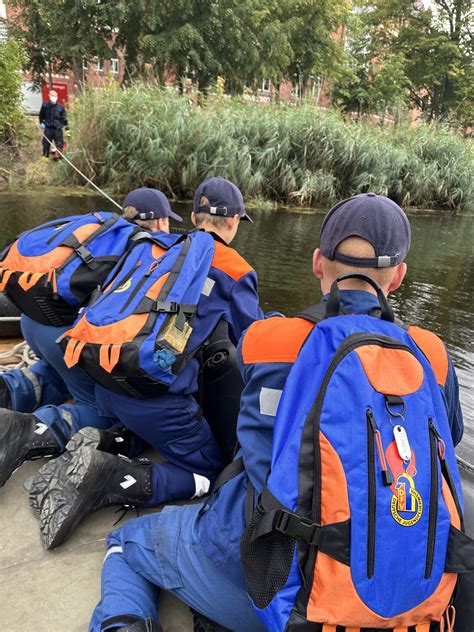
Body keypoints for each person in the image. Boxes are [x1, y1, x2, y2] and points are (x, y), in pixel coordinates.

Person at [78, 193, 463, 632]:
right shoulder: (432, 355)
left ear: (318, 262)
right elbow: (446, 444)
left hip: (277, 590)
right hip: (402, 593)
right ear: (397, 278)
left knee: (126, 544)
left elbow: (252, 444)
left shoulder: (269, 340)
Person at [31, 176, 265, 549]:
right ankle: (110, 477)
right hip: (155, 400)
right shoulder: (235, 269)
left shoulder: (156, 244)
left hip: (106, 378)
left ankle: (111, 439)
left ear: (192, 215)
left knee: (149, 417)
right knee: (209, 469)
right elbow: (255, 344)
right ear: (235, 222)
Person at [0, 188, 182, 488]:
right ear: (161, 222)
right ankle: (32, 429)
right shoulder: (149, 251)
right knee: (107, 412)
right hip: (64, 338)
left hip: (32, 320)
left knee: (54, 376)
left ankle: (11, 390)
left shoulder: (102, 233)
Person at [39, 90, 69, 159]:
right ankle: (45, 157)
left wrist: (67, 129)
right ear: (49, 96)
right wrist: (41, 123)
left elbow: (64, 118)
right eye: (52, 96)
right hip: (48, 128)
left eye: (55, 96)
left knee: (59, 143)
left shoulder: (60, 107)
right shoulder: (45, 105)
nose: (53, 97)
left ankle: (58, 156)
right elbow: (41, 115)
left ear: (57, 97)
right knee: (46, 143)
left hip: (57, 128)